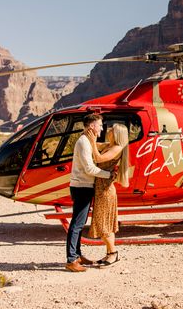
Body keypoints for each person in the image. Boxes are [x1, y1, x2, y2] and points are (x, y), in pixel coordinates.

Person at [65, 114, 113, 273]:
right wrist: (109, 175)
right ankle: (71, 259)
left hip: (84, 186)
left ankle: (77, 255)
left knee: (79, 222)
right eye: (99, 125)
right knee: (77, 224)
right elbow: (89, 169)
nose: (101, 128)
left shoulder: (87, 141)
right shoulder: (83, 142)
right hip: (82, 187)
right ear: (92, 126)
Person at [86, 123, 130, 267]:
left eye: (112, 130)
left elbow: (98, 159)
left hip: (105, 191)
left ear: (117, 134)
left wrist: (92, 142)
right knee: (102, 222)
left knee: (105, 225)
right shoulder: (110, 145)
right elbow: (96, 145)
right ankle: (109, 254)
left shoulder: (117, 148)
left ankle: (113, 254)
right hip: (101, 189)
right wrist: (89, 137)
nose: (109, 130)